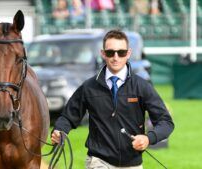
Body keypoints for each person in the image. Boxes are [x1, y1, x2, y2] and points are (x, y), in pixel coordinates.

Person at [51, 29, 174, 168]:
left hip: (132, 163)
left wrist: (148, 138)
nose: (115, 57)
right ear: (103, 53)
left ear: (128, 53)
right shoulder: (89, 87)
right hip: (98, 161)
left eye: (121, 52)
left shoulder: (142, 86)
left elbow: (165, 122)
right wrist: (60, 130)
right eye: (110, 52)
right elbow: (68, 117)